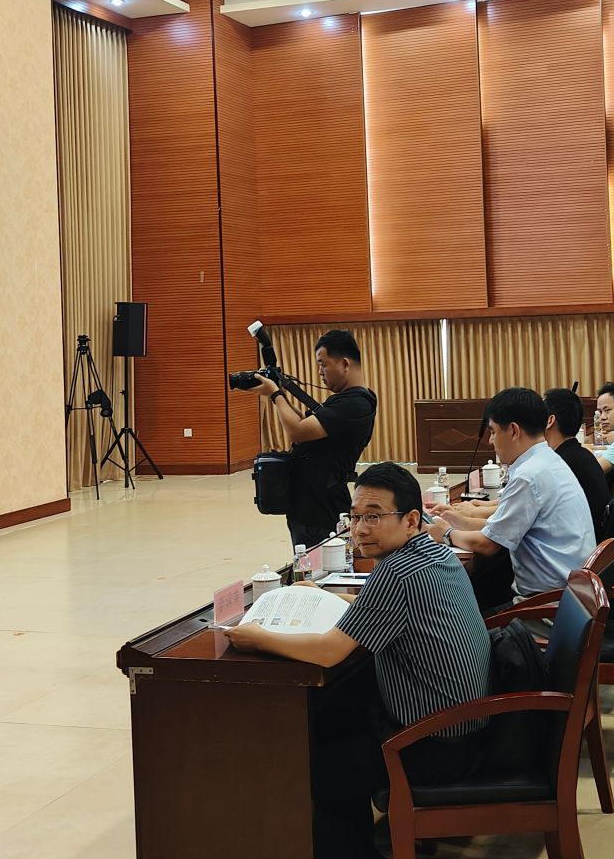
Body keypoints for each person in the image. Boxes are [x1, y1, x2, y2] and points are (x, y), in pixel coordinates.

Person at [224, 463, 490, 859]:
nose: (360, 529)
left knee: (322, 767)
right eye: (355, 516)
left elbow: (328, 651)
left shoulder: (396, 572)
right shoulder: (434, 553)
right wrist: (327, 597)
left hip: (434, 744)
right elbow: (385, 609)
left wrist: (257, 637)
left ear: (410, 520)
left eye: (374, 517)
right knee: (336, 713)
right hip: (464, 725)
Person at [429, 388, 596, 604]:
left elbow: (487, 545)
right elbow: (505, 527)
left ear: (514, 431)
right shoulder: (549, 460)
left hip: (547, 606)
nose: (491, 441)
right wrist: (457, 519)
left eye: (493, 432)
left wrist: (446, 533)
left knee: (455, 611)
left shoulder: (529, 475)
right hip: (572, 595)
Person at [241, 329, 377, 550]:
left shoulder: (355, 403)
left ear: (344, 364)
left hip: (321, 508)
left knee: (320, 564)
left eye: (323, 364)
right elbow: (304, 422)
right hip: (311, 502)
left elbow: (297, 431)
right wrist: (278, 394)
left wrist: (275, 394)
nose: (320, 372)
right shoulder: (347, 400)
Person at [545, 386, 613, 537]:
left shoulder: (561, 463)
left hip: (585, 543)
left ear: (550, 420)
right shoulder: (582, 454)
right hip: (599, 540)